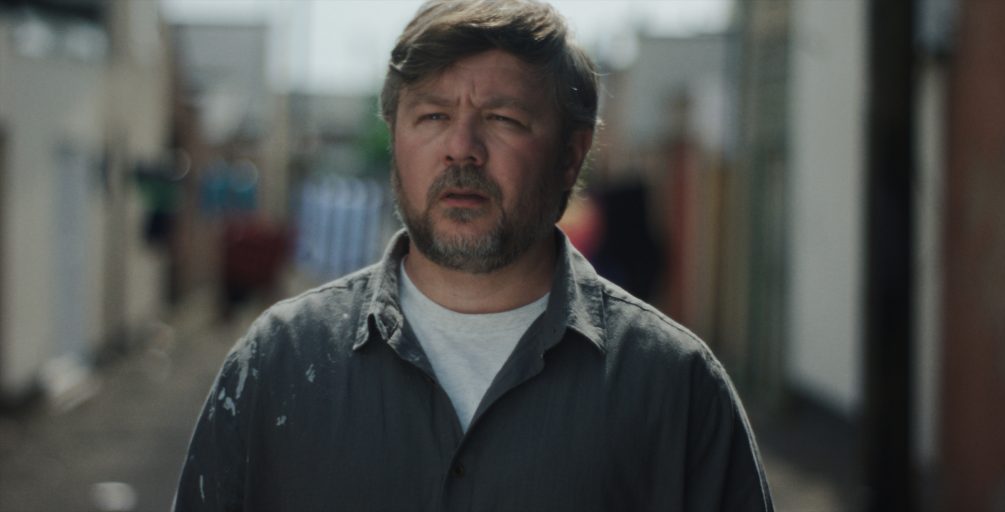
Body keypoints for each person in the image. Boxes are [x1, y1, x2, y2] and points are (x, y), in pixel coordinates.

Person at [173, 1, 773, 510]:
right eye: (432, 116)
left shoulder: (674, 387)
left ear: (571, 156)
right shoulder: (276, 363)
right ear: (395, 139)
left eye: (503, 118)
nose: (461, 148)